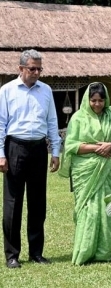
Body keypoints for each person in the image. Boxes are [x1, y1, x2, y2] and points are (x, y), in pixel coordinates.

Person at [0, 49, 61, 268]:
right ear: (21, 69)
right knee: (13, 203)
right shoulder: (6, 91)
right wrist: (1, 154)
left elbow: (52, 121)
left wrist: (55, 151)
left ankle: (36, 252)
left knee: (38, 203)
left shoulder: (45, 90)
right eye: (32, 68)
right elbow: (0, 124)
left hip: (38, 149)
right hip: (15, 146)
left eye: (39, 69)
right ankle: (12, 254)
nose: (36, 72)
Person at [59, 82, 111, 265]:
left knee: (108, 212)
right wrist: (96, 148)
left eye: (100, 100)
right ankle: (85, 252)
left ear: (105, 100)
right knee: (88, 212)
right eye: (93, 100)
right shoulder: (78, 118)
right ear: (87, 100)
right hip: (86, 171)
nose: (97, 104)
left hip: (109, 170)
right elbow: (71, 146)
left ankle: (104, 252)